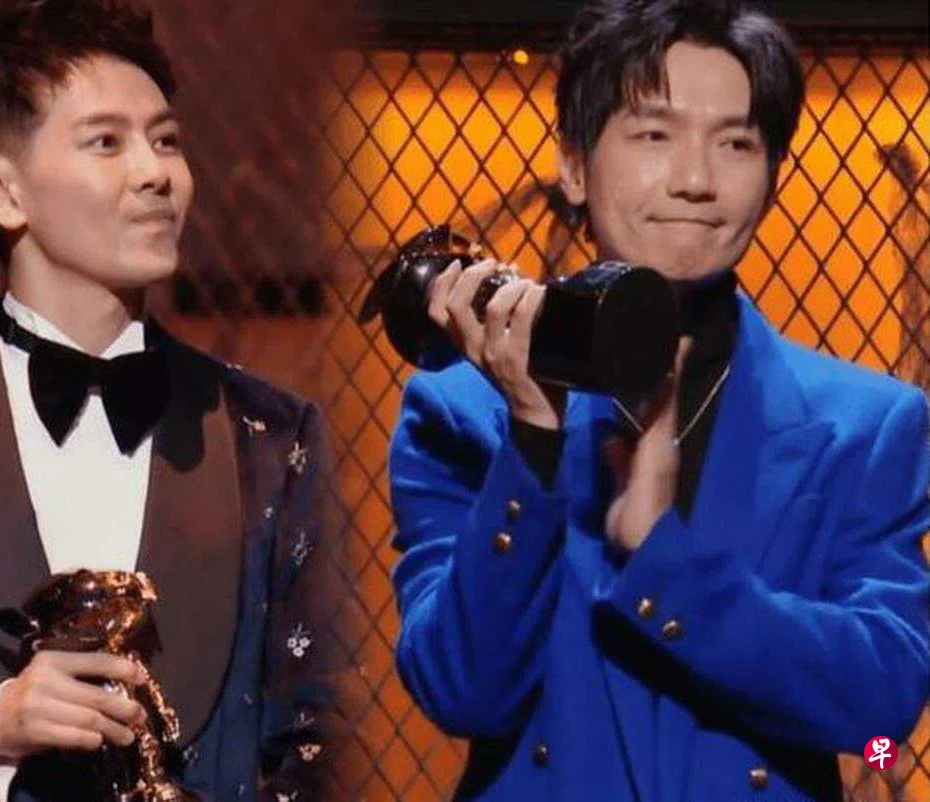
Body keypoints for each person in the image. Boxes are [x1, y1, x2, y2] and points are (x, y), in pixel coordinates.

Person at [0, 1, 343, 800]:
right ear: (1, 191)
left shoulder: (273, 438)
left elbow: (323, 733)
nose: (156, 172)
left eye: (166, 140)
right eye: (106, 142)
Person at [387, 0, 930, 799]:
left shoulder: (864, 424)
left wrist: (663, 558)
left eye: (736, 143)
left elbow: (881, 709)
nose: (695, 180)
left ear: (772, 175)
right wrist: (533, 439)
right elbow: (463, 691)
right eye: (653, 135)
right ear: (575, 165)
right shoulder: (459, 410)